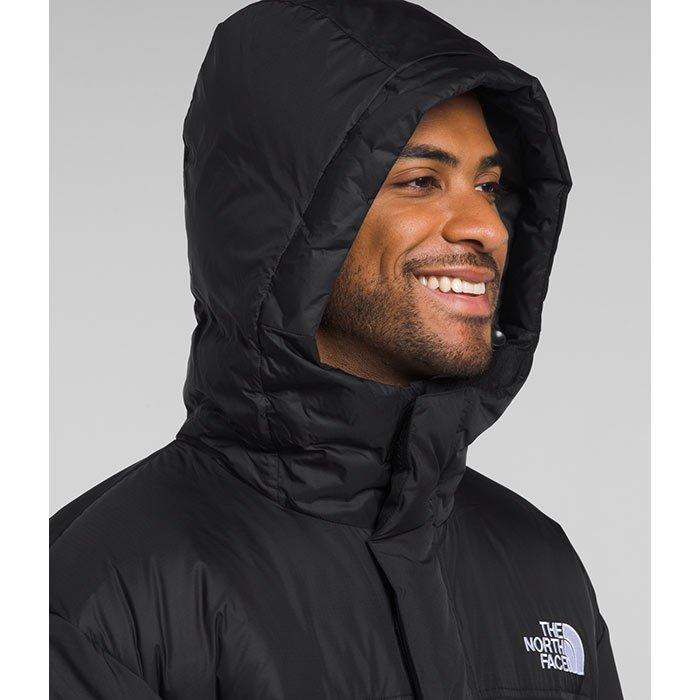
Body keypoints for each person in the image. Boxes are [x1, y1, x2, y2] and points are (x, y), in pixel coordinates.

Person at [50, 1, 624, 698]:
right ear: (287, 228)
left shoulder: (543, 568)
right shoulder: (99, 594)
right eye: (421, 181)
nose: (489, 228)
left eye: (488, 187)